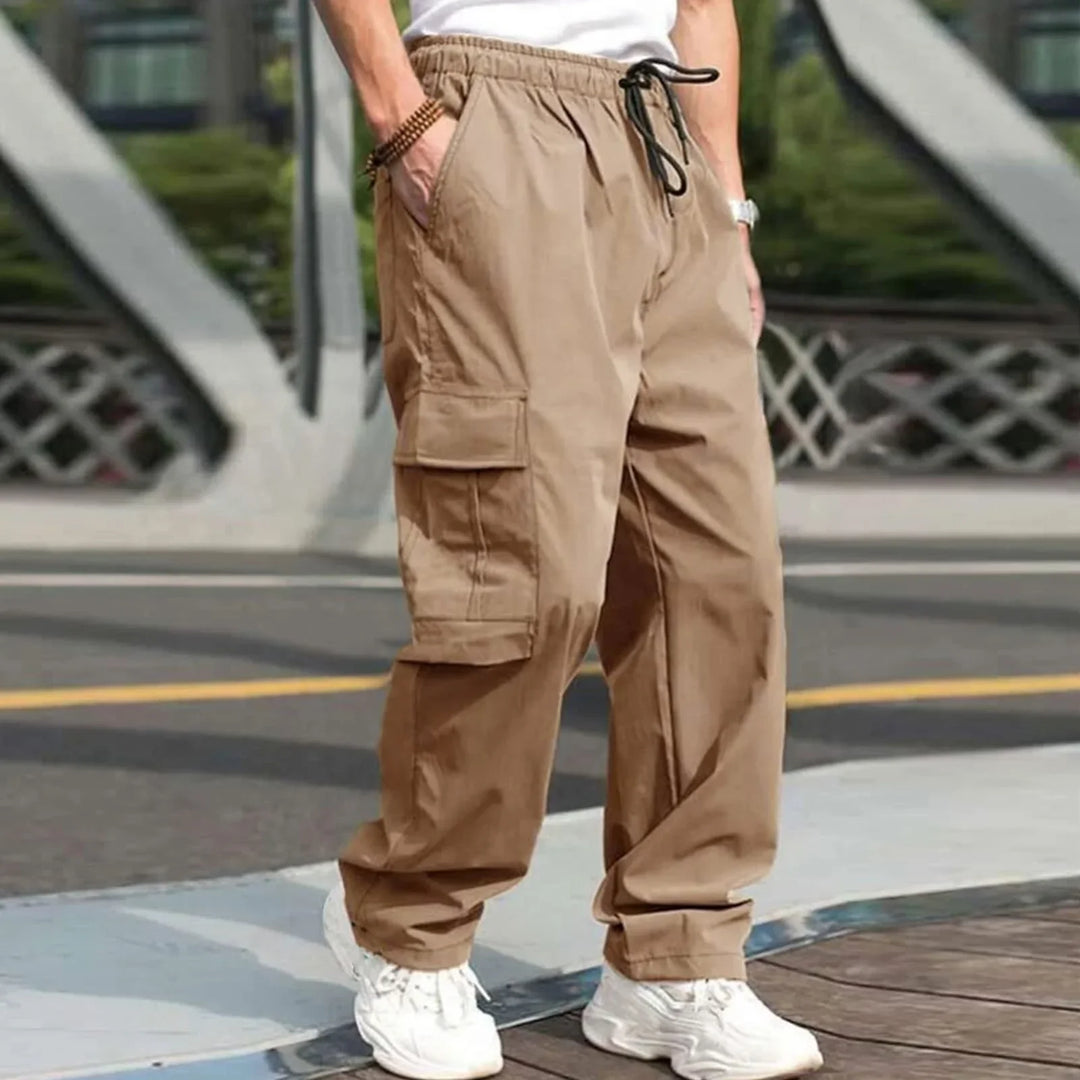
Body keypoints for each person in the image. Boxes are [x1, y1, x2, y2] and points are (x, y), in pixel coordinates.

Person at [314, 2, 822, 1078]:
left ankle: (675, 959)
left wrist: (727, 203)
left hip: (666, 141)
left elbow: (702, 9)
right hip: (493, 116)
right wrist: (402, 117)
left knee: (718, 581)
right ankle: (411, 929)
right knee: (520, 565)